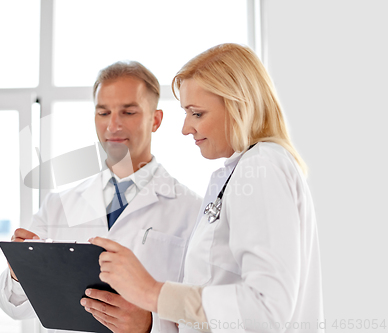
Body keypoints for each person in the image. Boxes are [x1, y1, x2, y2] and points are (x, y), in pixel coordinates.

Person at [90, 44, 324, 333]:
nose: (186, 128)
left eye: (197, 114)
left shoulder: (261, 167)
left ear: (239, 106)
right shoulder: (241, 171)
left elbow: (265, 309)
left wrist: (152, 292)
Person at [0, 61, 203, 333]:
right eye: (103, 112)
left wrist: (150, 325)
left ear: (156, 119)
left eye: (128, 112)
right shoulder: (58, 205)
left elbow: (207, 313)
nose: (113, 125)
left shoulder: (193, 210)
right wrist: (18, 272)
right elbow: (14, 306)